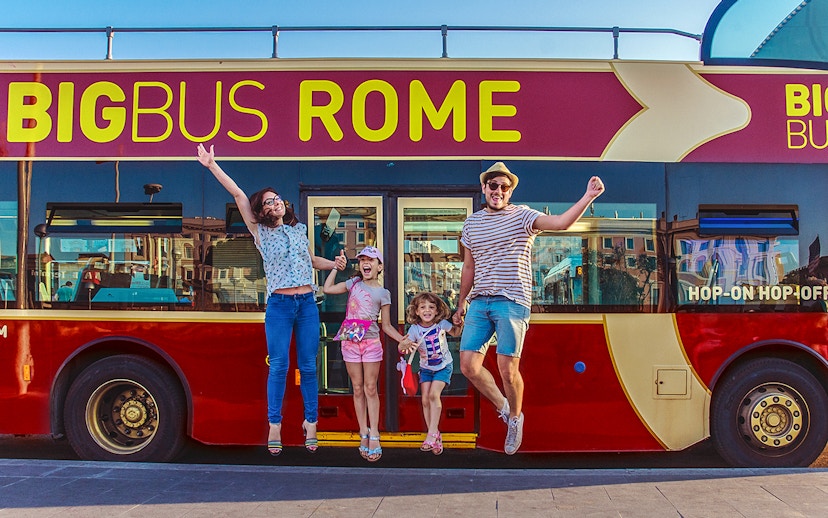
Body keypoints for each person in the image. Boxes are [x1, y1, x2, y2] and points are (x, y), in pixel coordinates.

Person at [196, 143, 346, 457]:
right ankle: (274, 425)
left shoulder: (299, 230)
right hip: (279, 305)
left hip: (307, 304)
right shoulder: (260, 232)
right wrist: (211, 165)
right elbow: (238, 194)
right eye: (269, 201)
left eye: (277, 198)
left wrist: (334, 264)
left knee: (309, 366)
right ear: (262, 210)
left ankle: (311, 422)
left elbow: (310, 261)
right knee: (278, 366)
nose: (276, 202)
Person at [452, 161, 605, 455]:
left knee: (507, 369)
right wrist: (461, 302)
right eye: (493, 185)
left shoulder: (523, 216)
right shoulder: (471, 224)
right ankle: (504, 407)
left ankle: (515, 418)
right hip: (480, 301)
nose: (498, 191)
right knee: (469, 366)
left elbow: (561, 223)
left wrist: (588, 196)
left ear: (510, 192)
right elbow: (469, 266)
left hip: (512, 301)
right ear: (484, 188)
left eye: (504, 187)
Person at [323, 246, 407, 462]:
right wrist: (336, 267)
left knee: (370, 388)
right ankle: (363, 431)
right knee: (358, 387)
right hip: (350, 342)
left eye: (371, 260)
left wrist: (403, 340)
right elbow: (327, 288)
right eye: (362, 260)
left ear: (380, 266)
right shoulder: (353, 283)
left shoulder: (384, 293)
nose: (365, 263)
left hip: (371, 343)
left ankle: (375, 433)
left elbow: (386, 326)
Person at [398, 292, 462, 455]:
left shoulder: (441, 324)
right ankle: (434, 434)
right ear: (417, 311)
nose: (427, 310)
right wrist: (402, 345)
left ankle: (431, 434)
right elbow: (403, 347)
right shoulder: (414, 329)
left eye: (431, 307)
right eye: (423, 307)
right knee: (425, 400)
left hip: (443, 366)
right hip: (426, 369)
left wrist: (459, 324)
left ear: (437, 310)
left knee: (434, 395)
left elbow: (455, 333)